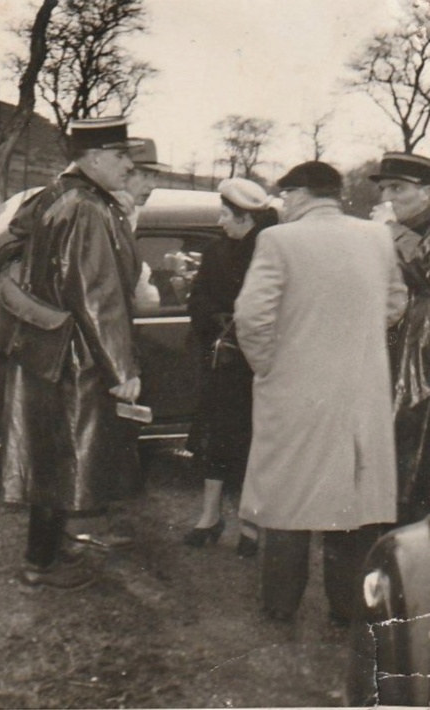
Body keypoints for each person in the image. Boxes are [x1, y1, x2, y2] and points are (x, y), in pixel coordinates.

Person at [234, 161, 408, 624]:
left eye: (286, 195)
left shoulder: (278, 240)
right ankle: (347, 609)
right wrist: (356, 342)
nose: (284, 205)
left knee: (288, 500)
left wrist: (270, 366)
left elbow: (252, 318)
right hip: (360, 391)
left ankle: (279, 606)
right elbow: (396, 302)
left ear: (300, 194)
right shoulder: (377, 238)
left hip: (295, 392)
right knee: (351, 500)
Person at [0, 117, 143, 588]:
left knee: (48, 454)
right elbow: (98, 296)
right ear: (95, 158)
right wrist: (123, 369)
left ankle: (49, 551)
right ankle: (41, 565)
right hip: (75, 355)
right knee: (60, 457)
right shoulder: (86, 209)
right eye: (121, 156)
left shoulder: (54, 195)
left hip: (47, 346)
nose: (129, 164)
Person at [182, 178, 278, 558]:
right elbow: (198, 298)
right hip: (223, 363)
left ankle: (251, 526)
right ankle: (209, 517)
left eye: (226, 215)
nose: (220, 222)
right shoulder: (215, 251)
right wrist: (214, 318)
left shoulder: (273, 250)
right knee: (216, 439)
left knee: (257, 443)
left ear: (246, 218)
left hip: (261, 364)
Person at [368, 151, 430, 525]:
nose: (386, 197)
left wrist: (391, 231)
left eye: (398, 188)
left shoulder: (399, 231)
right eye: (383, 188)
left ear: (427, 192)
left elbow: (424, 271)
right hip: (399, 353)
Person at [115, 138, 168, 309]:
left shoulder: (129, 211)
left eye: (154, 177)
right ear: (123, 173)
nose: (152, 185)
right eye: (145, 175)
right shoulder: (102, 212)